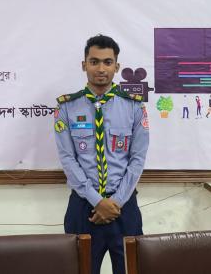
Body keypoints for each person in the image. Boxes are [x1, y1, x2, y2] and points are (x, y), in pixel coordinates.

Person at [54, 35, 149, 274]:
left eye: (108, 62)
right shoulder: (66, 107)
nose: (101, 69)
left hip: (123, 207)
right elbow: (68, 159)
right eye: (94, 61)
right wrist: (98, 201)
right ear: (84, 64)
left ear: (116, 66)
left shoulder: (134, 106)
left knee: (130, 269)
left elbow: (137, 159)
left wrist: (115, 202)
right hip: (83, 207)